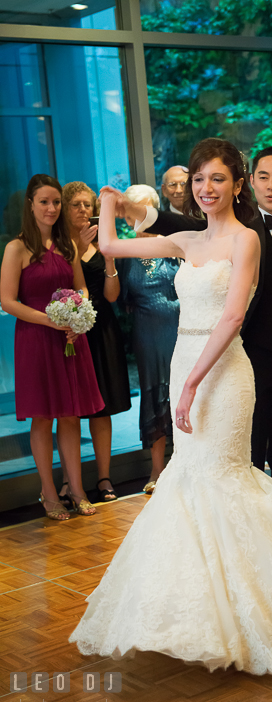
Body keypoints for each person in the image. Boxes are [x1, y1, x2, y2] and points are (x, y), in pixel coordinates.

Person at [69, 137, 272, 676]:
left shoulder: (245, 241)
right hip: (185, 361)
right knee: (189, 482)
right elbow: (113, 250)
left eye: (217, 179)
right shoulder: (186, 240)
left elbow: (234, 316)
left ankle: (271, 599)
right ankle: (200, 609)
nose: (206, 188)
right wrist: (108, 202)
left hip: (223, 373)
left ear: (236, 185)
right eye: (198, 180)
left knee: (226, 477)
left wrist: (192, 383)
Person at [109, 147, 272, 504]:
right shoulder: (236, 230)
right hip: (249, 360)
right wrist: (132, 210)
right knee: (245, 461)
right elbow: (182, 226)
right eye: (264, 177)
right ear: (251, 182)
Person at [0, 174, 104, 519]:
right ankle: (48, 492)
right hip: (35, 337)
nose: (51, 208)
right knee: (43, 418)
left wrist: (78, 316)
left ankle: (76, 488)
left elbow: (82, 288)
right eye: (44, 202)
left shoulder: (68, 245)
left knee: (71, 414)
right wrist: (48, 319)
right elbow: (7, 301)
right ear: (30, 205)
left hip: (69, 338)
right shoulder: (16, 248)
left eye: (56, 202)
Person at [61, 181, 131, 504]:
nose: (84, 210)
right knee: (70, 410)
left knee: (102, 408)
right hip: (70, 331)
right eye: (76, 204)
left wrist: (109, 258)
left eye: (88, 205)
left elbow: (112, 296)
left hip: (102, 330)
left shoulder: (103, 239)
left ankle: (104, 478)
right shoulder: (60, 245)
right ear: (64, 208)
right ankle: (68, 481)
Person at [121, 184, 180, 493]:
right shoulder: (126, 252)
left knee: (184, 394)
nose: (141, 221)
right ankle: (157, 470)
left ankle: (186, 466)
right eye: (135, 214)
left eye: (146, 212)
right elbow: (120, 299)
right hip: (146, 334)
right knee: (153, 397)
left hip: (181, 331)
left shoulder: (174, 246)